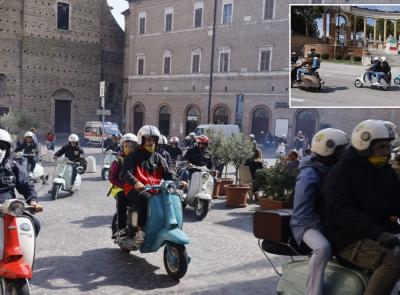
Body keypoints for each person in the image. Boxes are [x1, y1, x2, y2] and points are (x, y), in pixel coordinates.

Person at [322, 119, 400, 295]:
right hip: (347, 238)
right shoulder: (340, 172)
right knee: (394, 259)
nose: (388, 152)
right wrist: (378, 233)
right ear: (364, 145)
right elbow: (341, 212)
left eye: (388, 146)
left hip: (377, 232)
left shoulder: (384, 170)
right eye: (382, 147)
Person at [290, 128, 349, 295]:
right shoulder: (309, 175)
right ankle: (313, 292)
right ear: (328, 150)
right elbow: (302, 210)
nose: (344, 154)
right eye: (341, 150)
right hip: (306, 224)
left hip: (324, 220)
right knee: (322, 248)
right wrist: (322, 228)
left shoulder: (331, 170)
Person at [122, 125, 173, 244]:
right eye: (148, 139)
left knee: (170, 199)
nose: (152, 143)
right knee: (146, 199)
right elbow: (125, 173)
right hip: (135, 189)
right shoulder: (133, 156)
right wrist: (135, 182)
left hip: (154, 189)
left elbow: (168, 174)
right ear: (142, 140)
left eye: (154, 140)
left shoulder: (159, 158)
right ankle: (140, 231)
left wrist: (177, 181)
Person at [0, 129, 42, 235]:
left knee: (34, 224)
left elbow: (26, 184)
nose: (0, 150)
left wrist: (33, 201)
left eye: (3, 147)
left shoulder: (13, 166)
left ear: (8, 149)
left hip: (10, 210)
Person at [108, 133, 138, 239]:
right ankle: (120, 229)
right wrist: (123, 185)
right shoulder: (118, 160)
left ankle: (139, 226)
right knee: (122, 200)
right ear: (122, 146)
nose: (129, 148)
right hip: (118, 187)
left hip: (133, 187)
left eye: (131, 145)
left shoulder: (137, 160)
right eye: (126, 145)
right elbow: (112, 178)